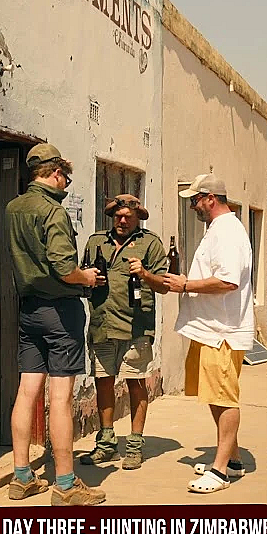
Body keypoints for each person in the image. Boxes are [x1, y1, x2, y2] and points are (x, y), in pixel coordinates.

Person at [5, 143, 108, 506]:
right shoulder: (53, 211)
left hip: (29, 309)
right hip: (60, 312)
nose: (66, 183)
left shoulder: (13, 208)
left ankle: (21, 478)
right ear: (54, 173)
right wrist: (88, 278)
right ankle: (65, 485)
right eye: (65, 176)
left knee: (26, 392)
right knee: (60, 398)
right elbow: (65, 268)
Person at [164, 174, 255, 494]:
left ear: (210, 198)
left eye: (195, 200)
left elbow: (228, 282)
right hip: (212, 329)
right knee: (215, 396)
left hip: (223, 331)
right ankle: (232, 459)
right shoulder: (219, 229)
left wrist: (185, 285)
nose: (192, 206)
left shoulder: (228, 232)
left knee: (224, 398)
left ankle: (220, 471)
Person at [80, 194, 170, 470]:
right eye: (118, 216)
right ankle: (106, 443)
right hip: (102, 324)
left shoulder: (150, 244)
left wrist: (144, 273)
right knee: (103, 382)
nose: (122, 220)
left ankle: (134, 445)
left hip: (136, 327)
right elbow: (83, 277)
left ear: (137, 218)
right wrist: (91, 279)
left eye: (128, 217)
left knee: (136, 383)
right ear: (112, 216)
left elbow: (164, 285)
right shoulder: (97, 241)